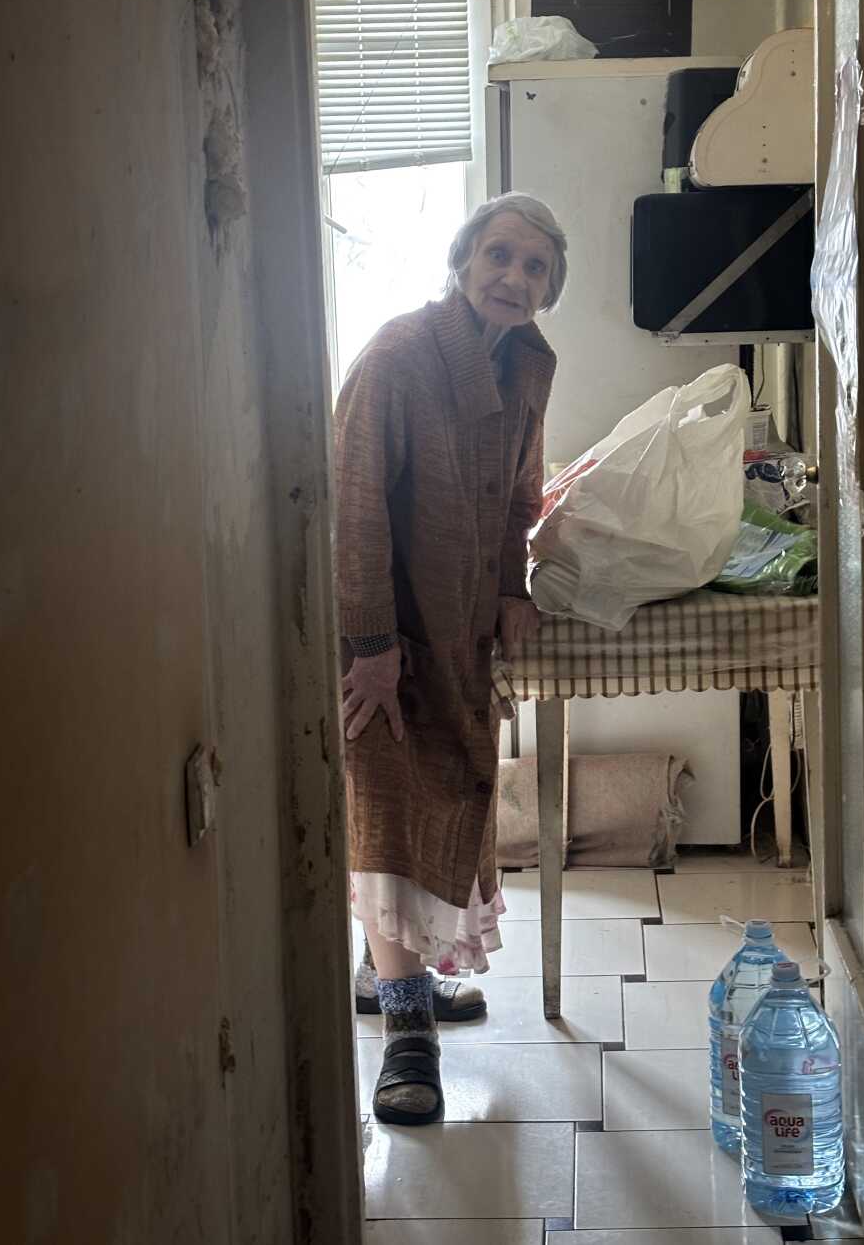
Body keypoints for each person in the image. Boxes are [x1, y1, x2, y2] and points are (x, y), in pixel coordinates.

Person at [333, 192, 567, 1125]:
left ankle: (387, 973)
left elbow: (522, 489)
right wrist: (371, 647)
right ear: (462, 261)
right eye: (499, 256)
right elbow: (352, 507)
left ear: (550, 287)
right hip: (384, 634)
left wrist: (513, 586)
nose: (514, 277)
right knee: (391, 815)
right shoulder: (399, 356)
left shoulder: (526, 367)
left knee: (452, 801)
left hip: (462, 623)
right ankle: (406, 1036)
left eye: (536, 266)